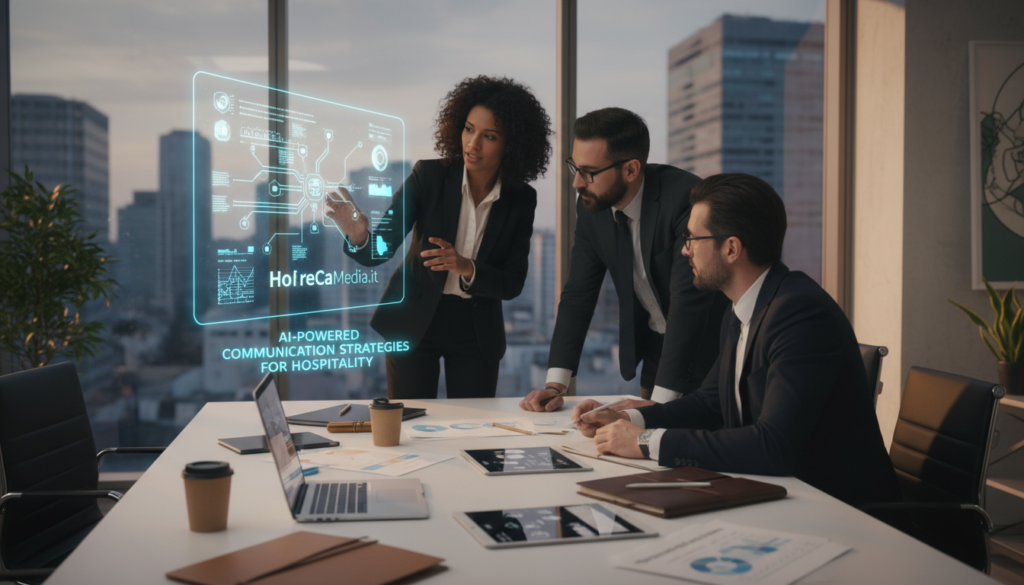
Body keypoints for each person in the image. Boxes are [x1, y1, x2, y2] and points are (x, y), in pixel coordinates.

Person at [572, 173, 901, 507]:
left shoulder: (800, 314)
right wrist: (629, 419)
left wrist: (646, 442)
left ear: (731, 248)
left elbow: (773, 446)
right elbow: (710, 403)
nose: (685, 251)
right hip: (778, 497)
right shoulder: (743, 305)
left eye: (692, 238)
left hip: (840, 511)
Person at [325, 75, 551, 399]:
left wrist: (466, 267)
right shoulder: (429, 176)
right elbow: (379, 251)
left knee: (475, 431)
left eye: (488, 136)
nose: (472, 144)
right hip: (414, 319)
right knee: (409, 430)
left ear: (511, 145)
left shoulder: (520, 198)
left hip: (476, 329)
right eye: (469, 128)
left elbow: (513, 282)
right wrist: (359, 235)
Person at [519, 108, 729, 411]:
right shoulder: (593, 205)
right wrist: (555, 384)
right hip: (656, 347)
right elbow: (579, 292)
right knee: (642, 449)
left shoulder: (685, 200)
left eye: (588, 172)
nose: (577, 183)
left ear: (631, 170)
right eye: (574, 168)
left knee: (692, 445)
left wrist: (659, 410)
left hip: (712, 349)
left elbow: (689, 303)